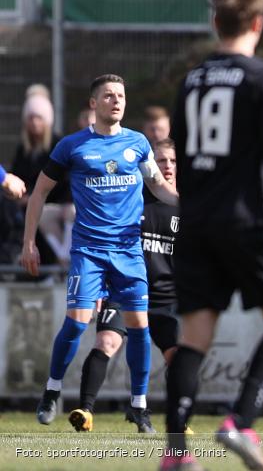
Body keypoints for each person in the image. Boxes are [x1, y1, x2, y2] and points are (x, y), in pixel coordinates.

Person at [163, 0, 263, 471]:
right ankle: (240, 422)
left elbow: (183, 157)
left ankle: (177, 454)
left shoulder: (189, 80)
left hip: (197, 222)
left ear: (214, 22)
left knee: (194, 337)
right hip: (249, 222)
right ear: (257, 22)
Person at [22, 74, 179, 433]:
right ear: (94, 104)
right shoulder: (72, 146)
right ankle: (52, 391)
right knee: (77, 322)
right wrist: (29, 241)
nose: (116, 100)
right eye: (108, 95)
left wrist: (192, 206)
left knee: (139, 328)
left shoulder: (138, 144)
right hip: (89, 251)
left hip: (127, 251)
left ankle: (138, 407)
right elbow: (40, 193)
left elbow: (158, 185)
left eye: (121, 95)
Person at [67, 138, 181, 433]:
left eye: (171, 160)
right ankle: (85, 411)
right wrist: (98, 288)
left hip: (165, 297)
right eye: (161, 161)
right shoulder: (130, 198)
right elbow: (105, 243)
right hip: (123, 288)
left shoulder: (183, 206)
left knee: (180, 357)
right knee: (106, 342)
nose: (166, 166)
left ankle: (173, 419)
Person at [12, 86, 74, 265]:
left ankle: (58, 262)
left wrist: (34, 197)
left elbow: (63, 181)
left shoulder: (57, 144)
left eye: (38, 117)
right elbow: (17, 176)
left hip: (54, 201)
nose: (34, 122)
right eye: (30, 117)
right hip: (29, 202)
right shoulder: (23, 149)